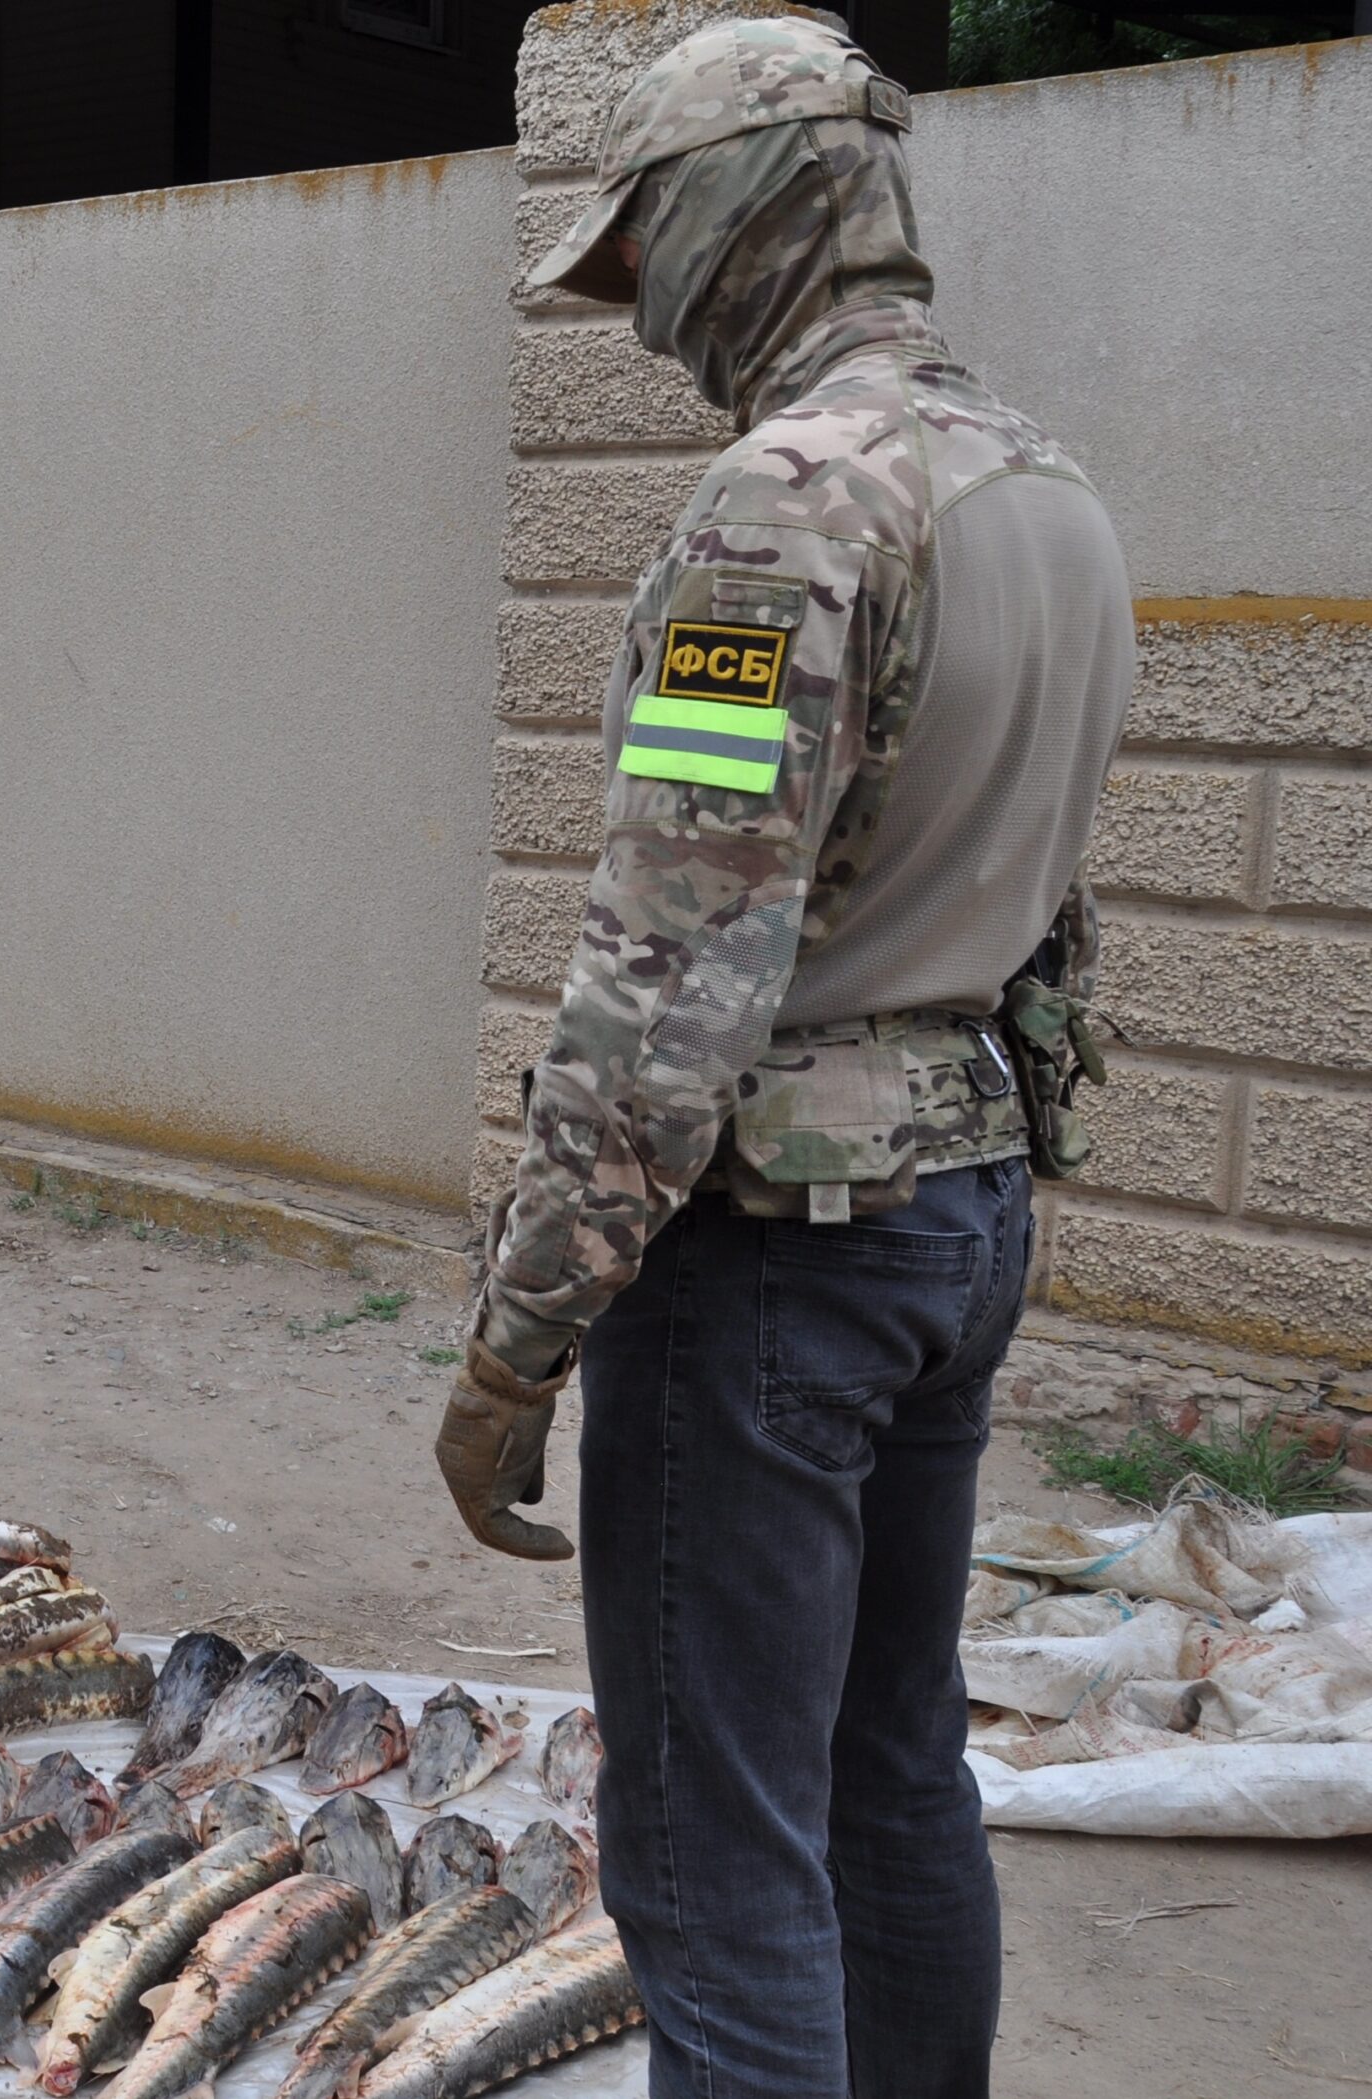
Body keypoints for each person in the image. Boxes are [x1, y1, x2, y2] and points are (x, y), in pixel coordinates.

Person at [431, 18, 1132, 2097]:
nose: (643, 323)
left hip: (772, 1260)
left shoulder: (781, 513)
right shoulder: (1042, 487)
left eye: (641, 257)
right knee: (886, 1768)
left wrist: (514, 1344)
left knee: (710, 1851)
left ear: (737, 216)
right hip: (959, 1215)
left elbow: (671, 973)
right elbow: (1044, 901)